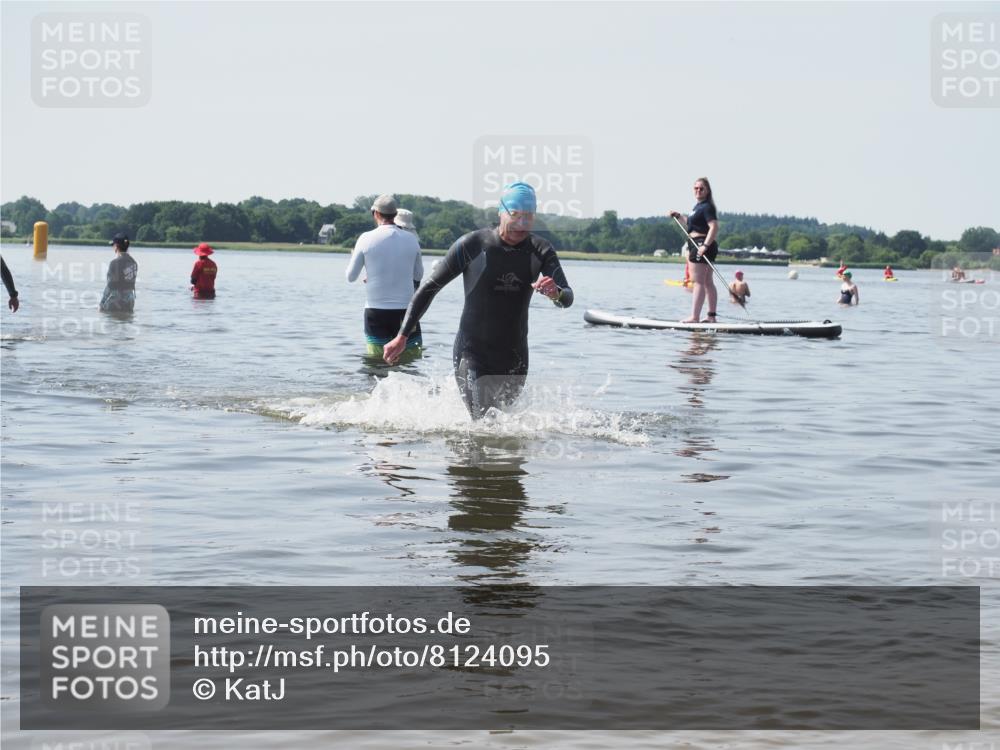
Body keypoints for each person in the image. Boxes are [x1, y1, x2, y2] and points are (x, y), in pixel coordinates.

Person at [382, 182, 573, 419]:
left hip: (515, 357)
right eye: (516, 215)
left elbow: (567, 298)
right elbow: (430, 288)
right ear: (501, 212)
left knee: (505, 424)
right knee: (483, 424)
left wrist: (556, 294)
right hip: (472, 353)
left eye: (529, 217)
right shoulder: (472, 245)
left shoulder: (540, 249)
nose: (522, 224)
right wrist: (402, 335)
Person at [346, 194, 424, 359]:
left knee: (377, 363)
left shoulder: (365, 239)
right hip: (407, 313)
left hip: (376, 312)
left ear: (375, 213)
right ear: (395, 215)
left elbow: (351, 277)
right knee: (410, 363)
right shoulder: (412, 239)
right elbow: (418, 275)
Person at [670, 177, 719, 322]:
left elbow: (714, 227)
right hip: (698, 242)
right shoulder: (697, 207)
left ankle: (695, 317)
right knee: (708, 281)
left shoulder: (707, 206)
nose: (698, 190)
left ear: (707, 191)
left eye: (701, 188)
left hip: (701, 243)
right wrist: (679, 216)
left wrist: (705, 246)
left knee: (698, 282)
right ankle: (711, 317)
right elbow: (692, 225)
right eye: (695, 188)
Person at [99, 233, 138, 312]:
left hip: (115, 302)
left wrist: (101, 304)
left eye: (113, 245)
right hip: (129, 301)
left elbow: (110, 286)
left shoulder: (114, 263)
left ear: (116, 246)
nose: (112, 247)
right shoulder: (134, 262)